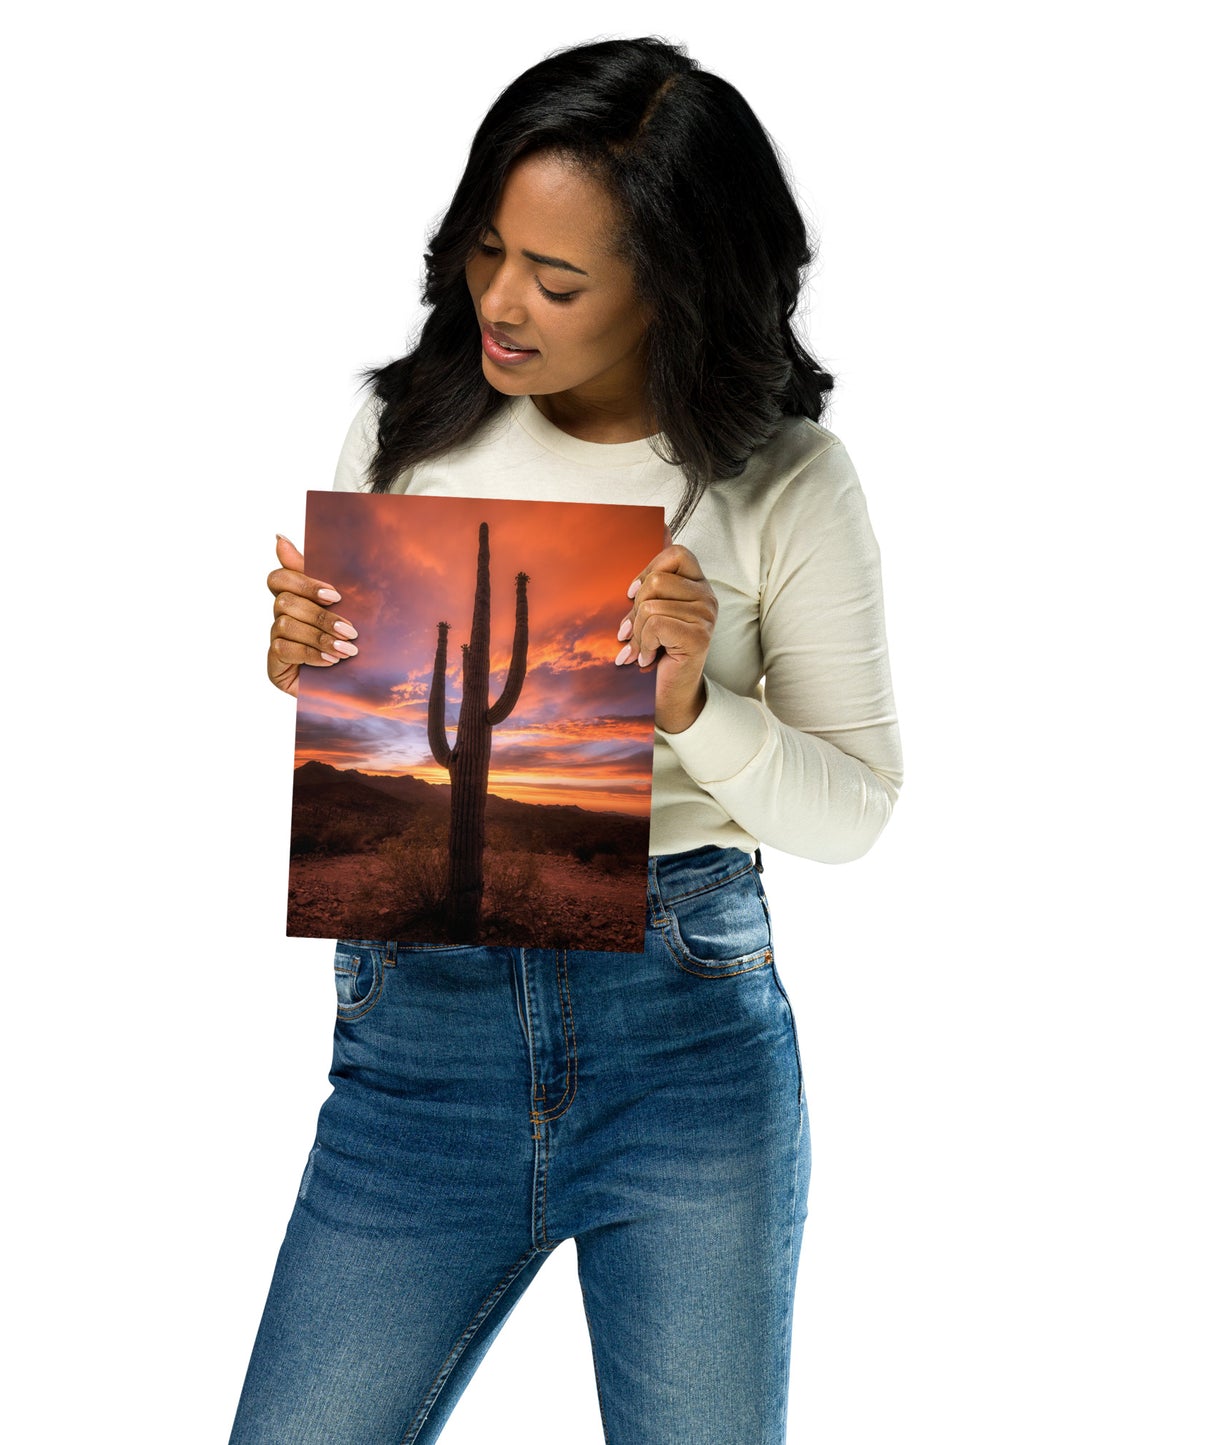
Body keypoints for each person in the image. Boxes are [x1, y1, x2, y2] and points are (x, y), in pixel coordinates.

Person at [234, 35, 903, 1444]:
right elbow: (385, 747)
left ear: (672, 281)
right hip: (415, 1042)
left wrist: (691, 709)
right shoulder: (402, 427)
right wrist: (301, 665)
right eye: (486, 251)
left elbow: (853, 812)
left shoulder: (781, 477)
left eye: (556, 276)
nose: (500, 302)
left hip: (683, 1042)